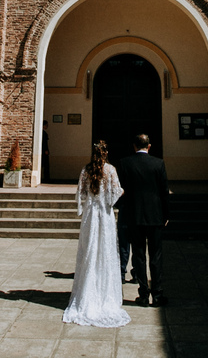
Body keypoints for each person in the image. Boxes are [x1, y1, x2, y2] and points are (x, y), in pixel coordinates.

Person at [62, 140, 130, 327]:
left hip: (91, 216)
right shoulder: (110, 170)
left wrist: (87, 202)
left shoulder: (86, 170)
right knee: (105, 252)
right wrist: (121, 192)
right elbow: (115, 194)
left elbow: (81, 193)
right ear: (106, 153)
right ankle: (104, 293)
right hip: (105, 216)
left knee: (90, 250)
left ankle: (86, 292)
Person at [118, 132, 169, 306]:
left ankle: (143, 295)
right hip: (155, 216)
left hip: (134, 216)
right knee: (156, 256)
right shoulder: (158, 163)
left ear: (134, 146)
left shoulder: (125, 163)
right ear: (149, 146)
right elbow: (164, 192)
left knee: (138, 255)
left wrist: (122, 209)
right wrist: (166, 215)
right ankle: (157, 293)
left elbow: (120, 191)